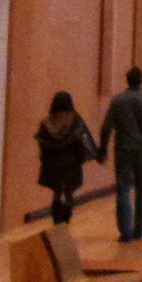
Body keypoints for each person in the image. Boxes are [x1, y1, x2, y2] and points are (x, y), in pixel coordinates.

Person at [98, 66, 142, 243]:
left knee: (124, 189)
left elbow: (106, 127)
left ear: (127, 81)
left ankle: (125, 232)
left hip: (123, 150)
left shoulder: (118, 101)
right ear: (141, 80)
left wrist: (103, 150)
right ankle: (139, 229)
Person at [35, 91, 97, 225]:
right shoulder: (76, 120)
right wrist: (81, 159)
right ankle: (66, 218)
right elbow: (82, 142)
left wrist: (45, 162)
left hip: (53, 163)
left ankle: (57, 220)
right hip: (71, 162)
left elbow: (43, 148)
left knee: (57, 192)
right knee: (69, 192)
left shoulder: (46, 122)